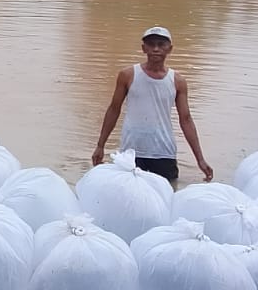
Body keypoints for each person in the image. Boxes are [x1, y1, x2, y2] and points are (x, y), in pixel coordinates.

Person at [91, 26, 213, 183]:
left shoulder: (178, 81)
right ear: (144, 48)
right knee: (128, 193)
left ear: (170, 49)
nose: (156, 49)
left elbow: (186, 119)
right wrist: (100, 145)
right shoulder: (127, 75)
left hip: (164, 152)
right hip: (132, 152)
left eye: (161, 44)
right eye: (151, 44)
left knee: (167, 192)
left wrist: (200, 159)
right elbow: (114, 110)